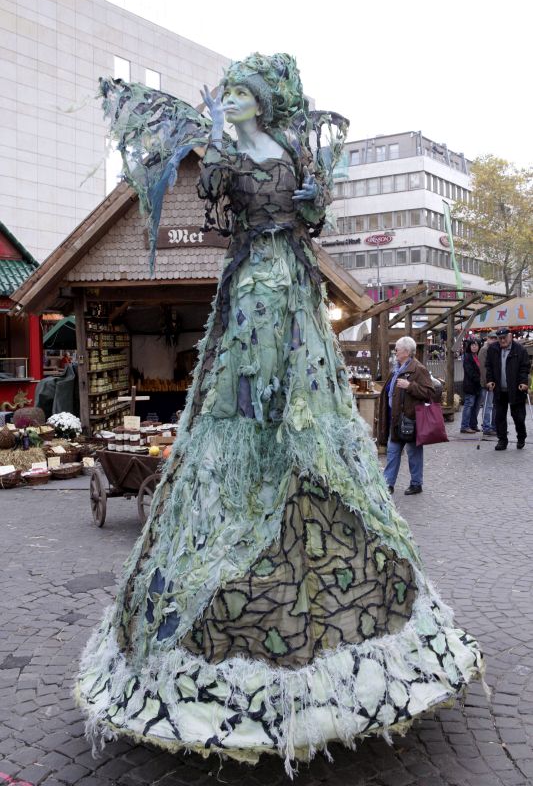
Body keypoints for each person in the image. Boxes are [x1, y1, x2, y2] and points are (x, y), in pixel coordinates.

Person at [77, 54, 483, 771]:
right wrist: (218, 154)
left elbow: (312, 217)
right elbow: (219, 205)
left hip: (291, 282)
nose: (232, 101)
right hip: (253, 282)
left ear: (263, 102)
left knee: (292, 373)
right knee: (245, 374)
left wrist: (310, 197)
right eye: (228, 93)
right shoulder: (229, 155)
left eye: (242, 93)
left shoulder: (291, 147)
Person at [378, 336, 434, 495]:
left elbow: (430, 393)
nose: (395, 351)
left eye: (397, 349)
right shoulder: (396, 369)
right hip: (395, 419)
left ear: (407, 352)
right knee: (392, 452)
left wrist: (410, 386)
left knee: (414, 453)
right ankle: (388, 483)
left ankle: (416, 484)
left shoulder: (418, 369)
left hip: (410, 419)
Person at [486, 327, 530, 450]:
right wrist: (489, 380)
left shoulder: (520, 349)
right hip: (499, 389)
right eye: (500, 338)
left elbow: (524, 367)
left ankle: (521, 437)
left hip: (516, 389)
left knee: (518, 417)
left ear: (510, 336)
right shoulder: (493, 349)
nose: (502, 340)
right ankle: (502, 440)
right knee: (499, 416)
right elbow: (489, 366)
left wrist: (523, 382)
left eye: (504, 337)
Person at [460, 337, 482, 433]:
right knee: (469, 405)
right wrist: (479, 379)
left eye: (476, 345)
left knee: (476, 406)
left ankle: (473, 425)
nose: (474, 347)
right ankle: (464, 426)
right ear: (469, 346)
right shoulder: (467, 356)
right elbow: (470, 371)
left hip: (479, 385)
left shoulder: (478, 356)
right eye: (472, 345)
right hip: (470, 385)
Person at [478, 331, 498, 436]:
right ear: (488, 339)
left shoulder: (493, 349)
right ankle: (486, 427)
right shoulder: (484, 350)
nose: (493, 340)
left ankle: (494, 426)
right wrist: (487, 382)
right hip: (487, 383)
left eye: (495, 338)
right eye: (492, 338)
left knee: (493, 406)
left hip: (494, 383)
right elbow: (483, 368)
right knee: (487, 405)